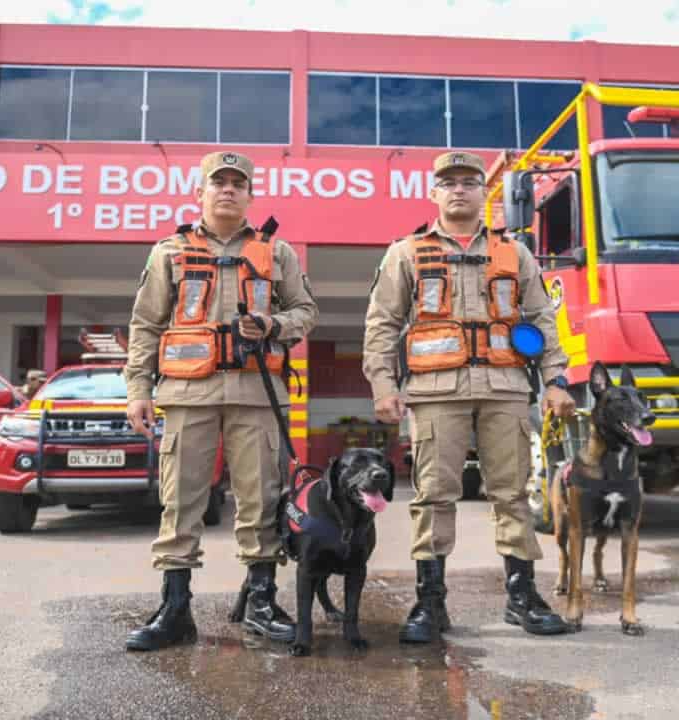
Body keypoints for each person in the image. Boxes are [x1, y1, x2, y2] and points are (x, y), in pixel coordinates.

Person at [362, 151, 576, 642]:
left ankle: (522, 597)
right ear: (433, 194)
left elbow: (542, 318)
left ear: (485, 192)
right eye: (448, 182)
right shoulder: (406, 252)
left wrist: (557, 380)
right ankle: (429, 603)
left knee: (513, 494)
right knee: (434, 495)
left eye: (469, 182)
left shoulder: (514, 252)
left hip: (504, 389)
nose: (458, 189)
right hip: (436, 393)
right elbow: (382, 324)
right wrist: (382, 385)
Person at [123, 151, 318, 652]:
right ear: (200, 192)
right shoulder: (169, 251)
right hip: (188, 395)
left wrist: (275, 324)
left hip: (257, 394)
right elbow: (146, 326)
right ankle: (175, 608)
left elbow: (305, 310)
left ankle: (260, 601)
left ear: (250, 194)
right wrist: (138, 391)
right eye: (219, 182)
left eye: (238, 183)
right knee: (181, 502)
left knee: (261, 501)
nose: (228, 189)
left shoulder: (278, 253)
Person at [0, 369, 46, 522]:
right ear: (30, 380)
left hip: (33, 438)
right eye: (39, 381)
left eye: (43, 381)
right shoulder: (15, 394)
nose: (41, 384)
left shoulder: (45, 397)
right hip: (9, 437)